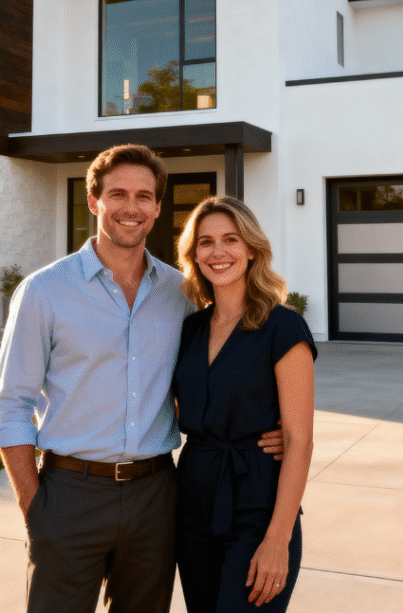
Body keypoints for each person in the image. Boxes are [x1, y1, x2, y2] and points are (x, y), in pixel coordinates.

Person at [0, 144, 284, 613]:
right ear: (93, 201)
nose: (132, 207)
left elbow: (213, 380)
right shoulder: (45, 291)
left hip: (157, 497)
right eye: (118, 194)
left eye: (144, 196)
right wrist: (34, 508)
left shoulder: (182, 294)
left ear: (158, 207)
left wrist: (270, 431)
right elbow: (11, 405)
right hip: (70, 493)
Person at [173, 195, 316, 612]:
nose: (218, 252)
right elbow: (186, 408)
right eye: (205, 242)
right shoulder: (191, 328)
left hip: (258, 504)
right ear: (194, 255)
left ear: (251, 249)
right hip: (194, 502)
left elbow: (300, 440)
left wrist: (278, 539)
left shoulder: (284, 326)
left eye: (230, 239)